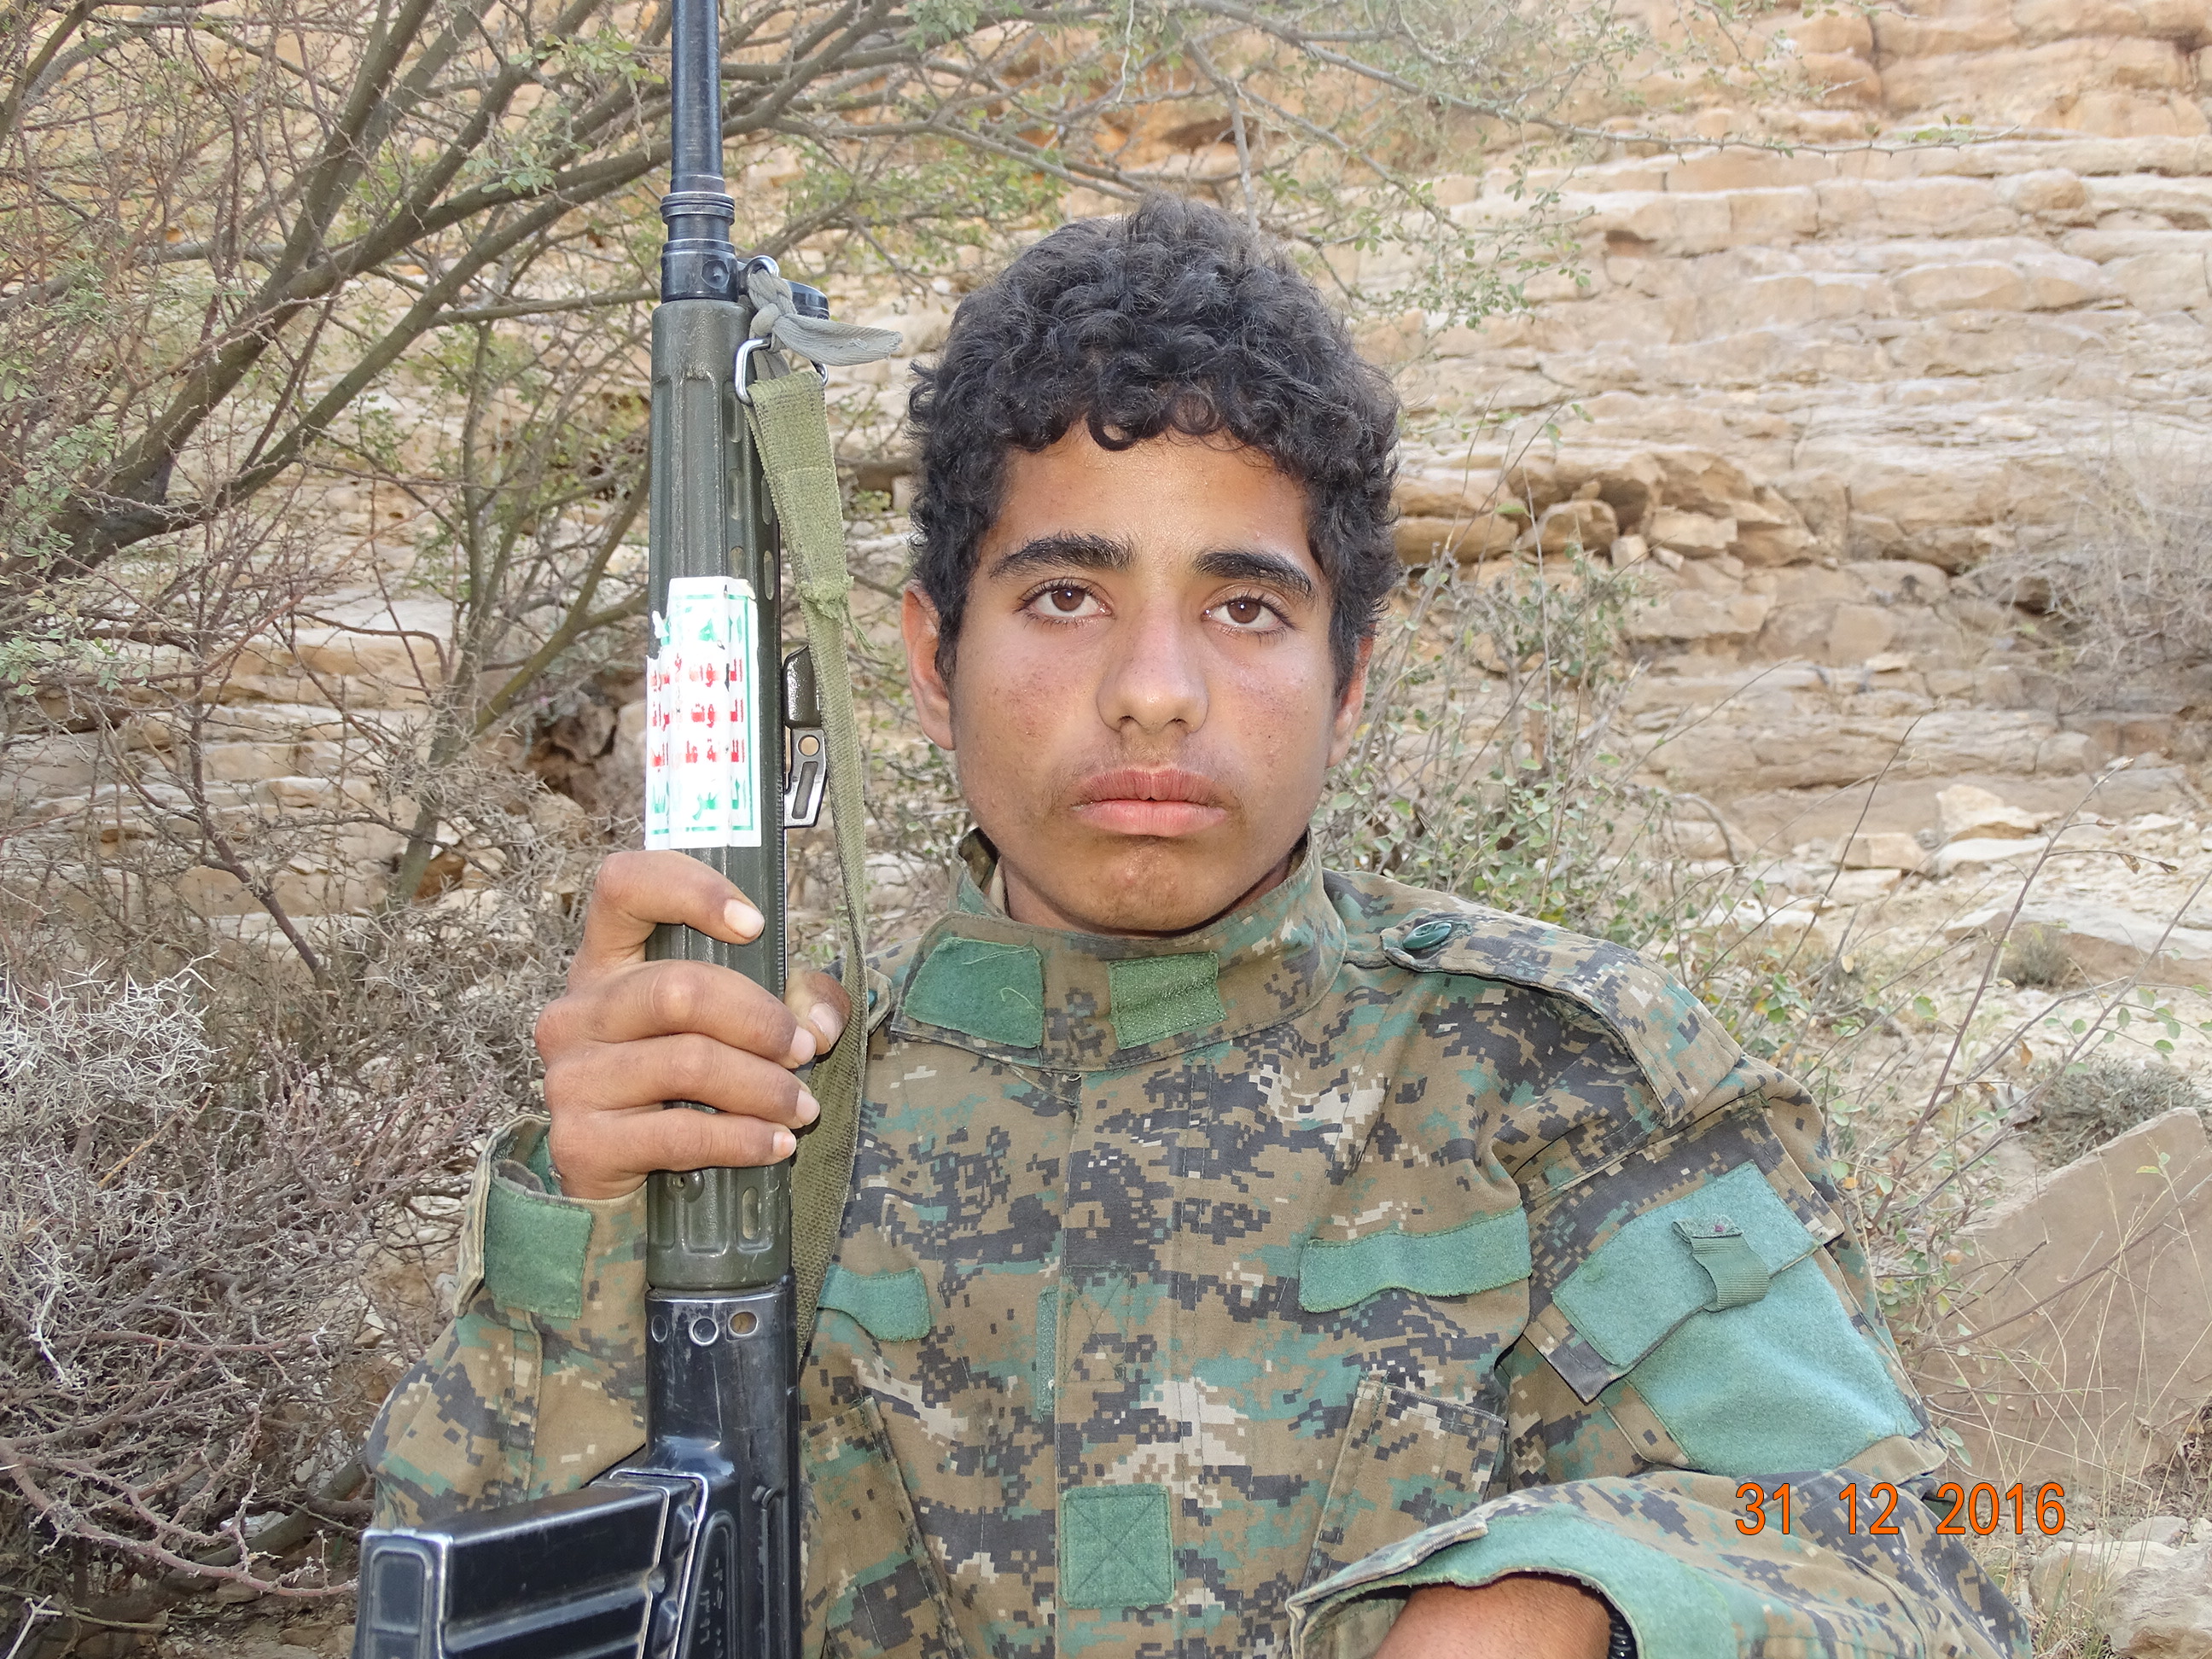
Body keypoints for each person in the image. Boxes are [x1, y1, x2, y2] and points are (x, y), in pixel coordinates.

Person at [365, 198, 2027, 1659]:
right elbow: (470, 1584)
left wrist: (1572, 1602)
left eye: (1244, 606)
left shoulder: (1561, 1075)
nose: (1154, 690)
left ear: (1349, 681)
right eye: (1065, 597)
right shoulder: (758, 1106)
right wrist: (594, 1225)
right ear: (933, 662)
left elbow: (1918, 1557)